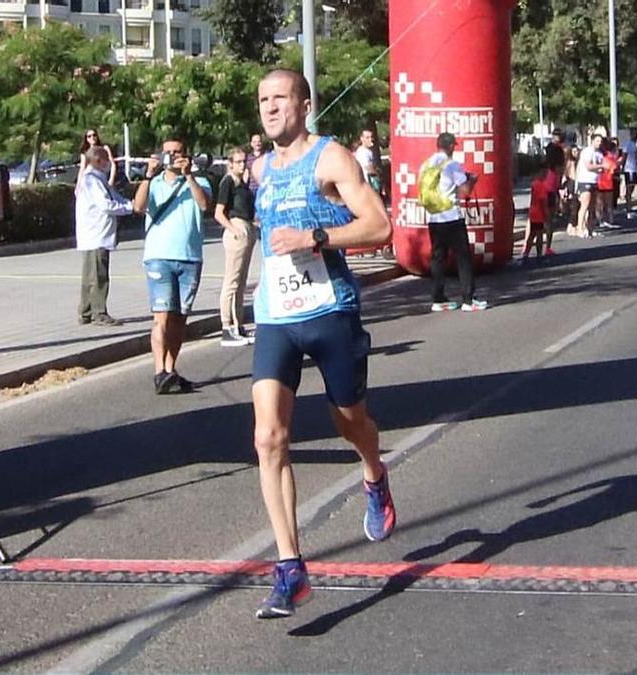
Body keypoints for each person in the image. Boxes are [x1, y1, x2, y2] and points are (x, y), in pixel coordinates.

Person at [248, 68, 395, 619]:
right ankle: (290, 569)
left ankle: (374, 473)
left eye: (280, 98)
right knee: (268, 437)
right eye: (263, 100)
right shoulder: (261, 168)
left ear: (304, 104)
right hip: (277, 317)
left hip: (330, 309)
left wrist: (316, 236)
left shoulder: (331, 159)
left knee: (350, 420)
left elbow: (379, 225)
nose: (269, 107)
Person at [132, 137, 212, 395]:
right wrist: (147, 176)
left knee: (179, 319)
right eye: (168, 152)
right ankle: (158, 371)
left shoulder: (199, 181)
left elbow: (204, 205)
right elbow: (138, 206)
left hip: (190, 258)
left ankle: (170, 368)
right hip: (159, 256)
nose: (173, 157)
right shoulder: (154, 183)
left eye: (178, 152)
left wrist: (189, 176)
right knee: (162, 317)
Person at [422, 132, 485, 312]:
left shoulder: (427, 164)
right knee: (463, 258)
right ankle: (468, 299)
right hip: (451, 217)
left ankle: (438, 298)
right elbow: (465, 190)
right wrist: (472, 180)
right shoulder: (451, 165)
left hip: (434, 218)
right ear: (450, 146)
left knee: (438, 258)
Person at [74, 146, 134, 326]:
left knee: (90, 276)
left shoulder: (99, 179)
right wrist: (130, 208)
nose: (110, 163)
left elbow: (115, 197)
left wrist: (131, 204)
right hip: (95, 235)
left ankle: (85, 311)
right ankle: (99, 312)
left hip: (97, 235)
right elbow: (106, 205)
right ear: (98, 160)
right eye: (107, 159)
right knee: (98, 277)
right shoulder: (91, 180)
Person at [214, 146, 257, 346]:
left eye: (244, 161)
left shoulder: (243, 183)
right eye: (238, 161)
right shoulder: (228, 182)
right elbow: (219, 212)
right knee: (231, 281)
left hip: (247, 227)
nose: (242, 165)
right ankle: (226, 326)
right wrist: (233, 229)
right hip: (236, 229)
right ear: (230, 163)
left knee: (241, 282)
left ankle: (238, 324)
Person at [573, 133, 603, 238]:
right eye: (597, 141)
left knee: (592, 207)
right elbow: (588, 166)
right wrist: (601, 166)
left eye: (600, 141)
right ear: (592, 141)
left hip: (594, 181)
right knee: (584, 205)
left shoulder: (599, 154)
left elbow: (602, 168)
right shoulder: (587, 151)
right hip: (585, 181)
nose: (599, 143)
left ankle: (590, 229)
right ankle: (580, 229)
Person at [520, 166, 550, 262]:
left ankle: (526, 253)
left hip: (533, 211)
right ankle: (539, 254)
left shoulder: (534, 184)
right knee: (539, 235)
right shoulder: (542, 186)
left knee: (532, 234)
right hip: (539, 213)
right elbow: (543, 201)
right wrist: (546, 214)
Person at [596, 138, 619, 230]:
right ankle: (610, 219)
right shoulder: (610, 158)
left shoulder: (599, 157)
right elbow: (614, 169)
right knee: (608, 204)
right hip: (608, 182)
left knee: (600, 203)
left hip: (600, 182)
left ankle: (600, 220)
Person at [621, 129, 637, 220]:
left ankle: (629, 207)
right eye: (634, 134)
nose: (636, 136)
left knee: (631, 189)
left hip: (634, 169)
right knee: (629, 190)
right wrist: (622, 168)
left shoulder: (634, 145)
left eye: (636, 134)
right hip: (629, 170)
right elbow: (624, 157)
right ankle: (629, 210)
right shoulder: (628, 144)